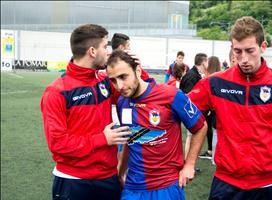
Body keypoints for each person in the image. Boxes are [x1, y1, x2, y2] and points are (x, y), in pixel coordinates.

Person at [188, 16, 272, 199]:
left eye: (249, 50)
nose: (243, 59)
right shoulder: (215, 83)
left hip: (266, 184)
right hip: (225, 182)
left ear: (263, 47)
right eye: (238, 51)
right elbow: (181, 107)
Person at [40, 24, 130, 200]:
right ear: (92, 51)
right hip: (73, 181)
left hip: (108, 178)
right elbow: (58, 143)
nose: (108, 52)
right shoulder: (56, 92)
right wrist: (102, 138)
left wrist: (130, 68)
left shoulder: (104, 81)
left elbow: (132, 92)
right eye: (105, 47)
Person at [106, 50, 208, 200]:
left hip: (166, 186)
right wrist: (121, 172)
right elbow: (130, 138)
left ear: (138, 71)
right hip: (132, 187)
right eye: (113, 80)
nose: (119, 86)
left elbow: (200, 126)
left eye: (123, 77)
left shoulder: (171, 95)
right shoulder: (122, 102)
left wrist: (189, 165)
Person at [179, 53, 208, 159]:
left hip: (194, 113)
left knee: (192, 138)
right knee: (191, 138)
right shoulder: (192, 75)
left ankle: (188, 162)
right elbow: (189, 97)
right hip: (191, 114)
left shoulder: (195, 74)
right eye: (207, 61)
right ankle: (187, 162)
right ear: (203, 62)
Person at [198, 56, 221, 160]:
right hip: (217, 110)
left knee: (212, 131)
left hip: (212, 109)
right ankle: (212, 152)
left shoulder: (210, 78)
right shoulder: (220, 77)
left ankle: (211, 152)